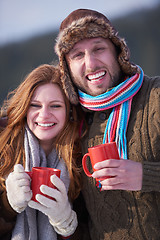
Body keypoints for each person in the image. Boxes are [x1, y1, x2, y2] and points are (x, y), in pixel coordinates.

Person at [54, 8, 160, 240]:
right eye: (77, 55)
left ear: (117, 51)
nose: (90, 64)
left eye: (98, 48)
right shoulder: (71, 123)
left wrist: (146, 175)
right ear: (67, 69)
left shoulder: (156, 95)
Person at [0, 64, 82, 240]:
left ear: (69, 111)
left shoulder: (81, 154)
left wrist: (65, 220)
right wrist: (8, 205)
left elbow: (94, 229)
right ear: (24, 108)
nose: (44, 115)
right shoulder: (2, 143)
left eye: (55, 106)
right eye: (35, 105)